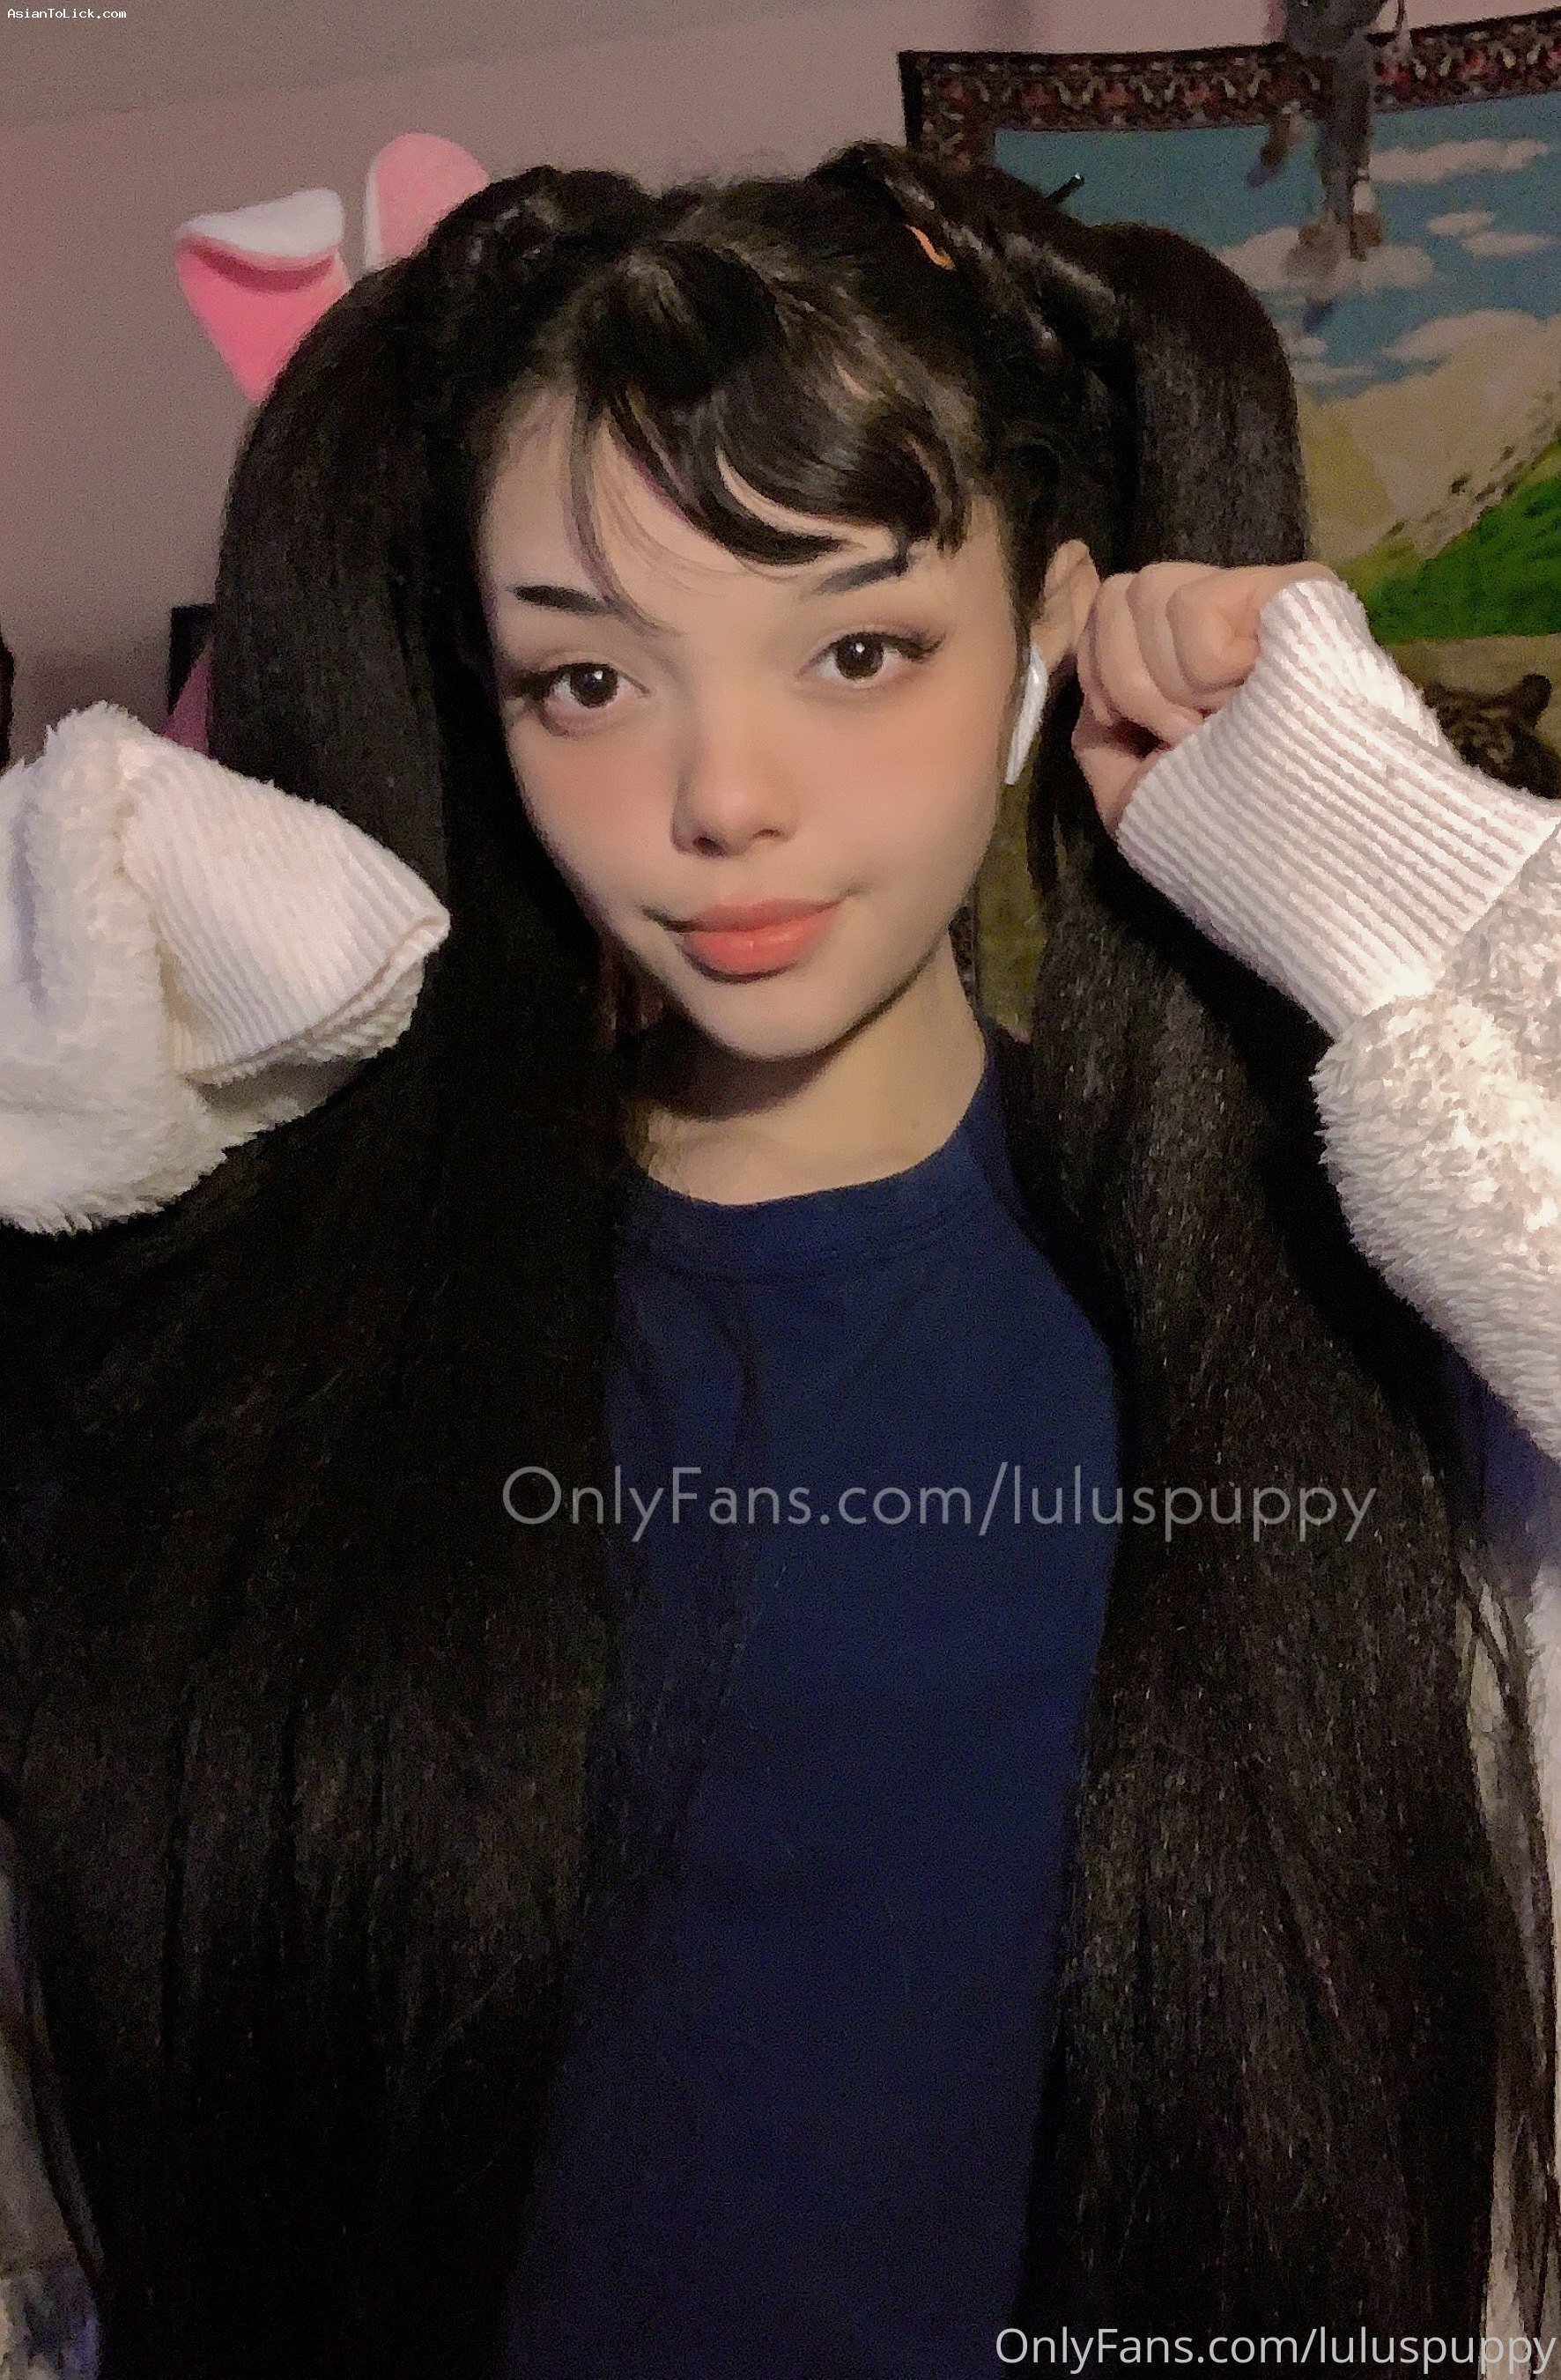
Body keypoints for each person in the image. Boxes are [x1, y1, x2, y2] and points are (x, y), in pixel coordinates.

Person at [1, 139, 1559, 2378]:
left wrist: (1391, 864)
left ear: (1042, 629)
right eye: (585, 680)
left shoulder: (1269, 1304)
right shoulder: (312, 1318)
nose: (721, 795)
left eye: (855, 648)